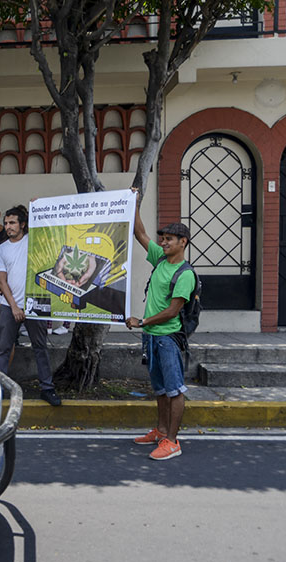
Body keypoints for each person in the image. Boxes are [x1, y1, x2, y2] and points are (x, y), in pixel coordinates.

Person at [125, 192, 196, 461]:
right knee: (161, 389)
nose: (163, 242)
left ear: (183, 242)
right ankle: (161, 430)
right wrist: (134, 204)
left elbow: (171, 312)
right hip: (152, 337)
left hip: (167, 338)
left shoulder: (185, 274)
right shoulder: (160, 260)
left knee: (175, 389)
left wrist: (141, 321)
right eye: (163, 239)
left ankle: (172, 441)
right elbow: (140, 233)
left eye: (169, 239)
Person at [0, 205, 61, 406]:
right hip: (8, 305)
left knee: (41, 347)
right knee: (4, 348)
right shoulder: (1, 249)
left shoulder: (35, 242)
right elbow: (2, 281)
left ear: (23, 224)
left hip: (35, 303)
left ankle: (47, 389)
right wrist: (14, 306)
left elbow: (50, 230)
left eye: (12, 223)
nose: (8, 227)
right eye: (6, 223)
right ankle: (0, 390)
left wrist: (39, 207)